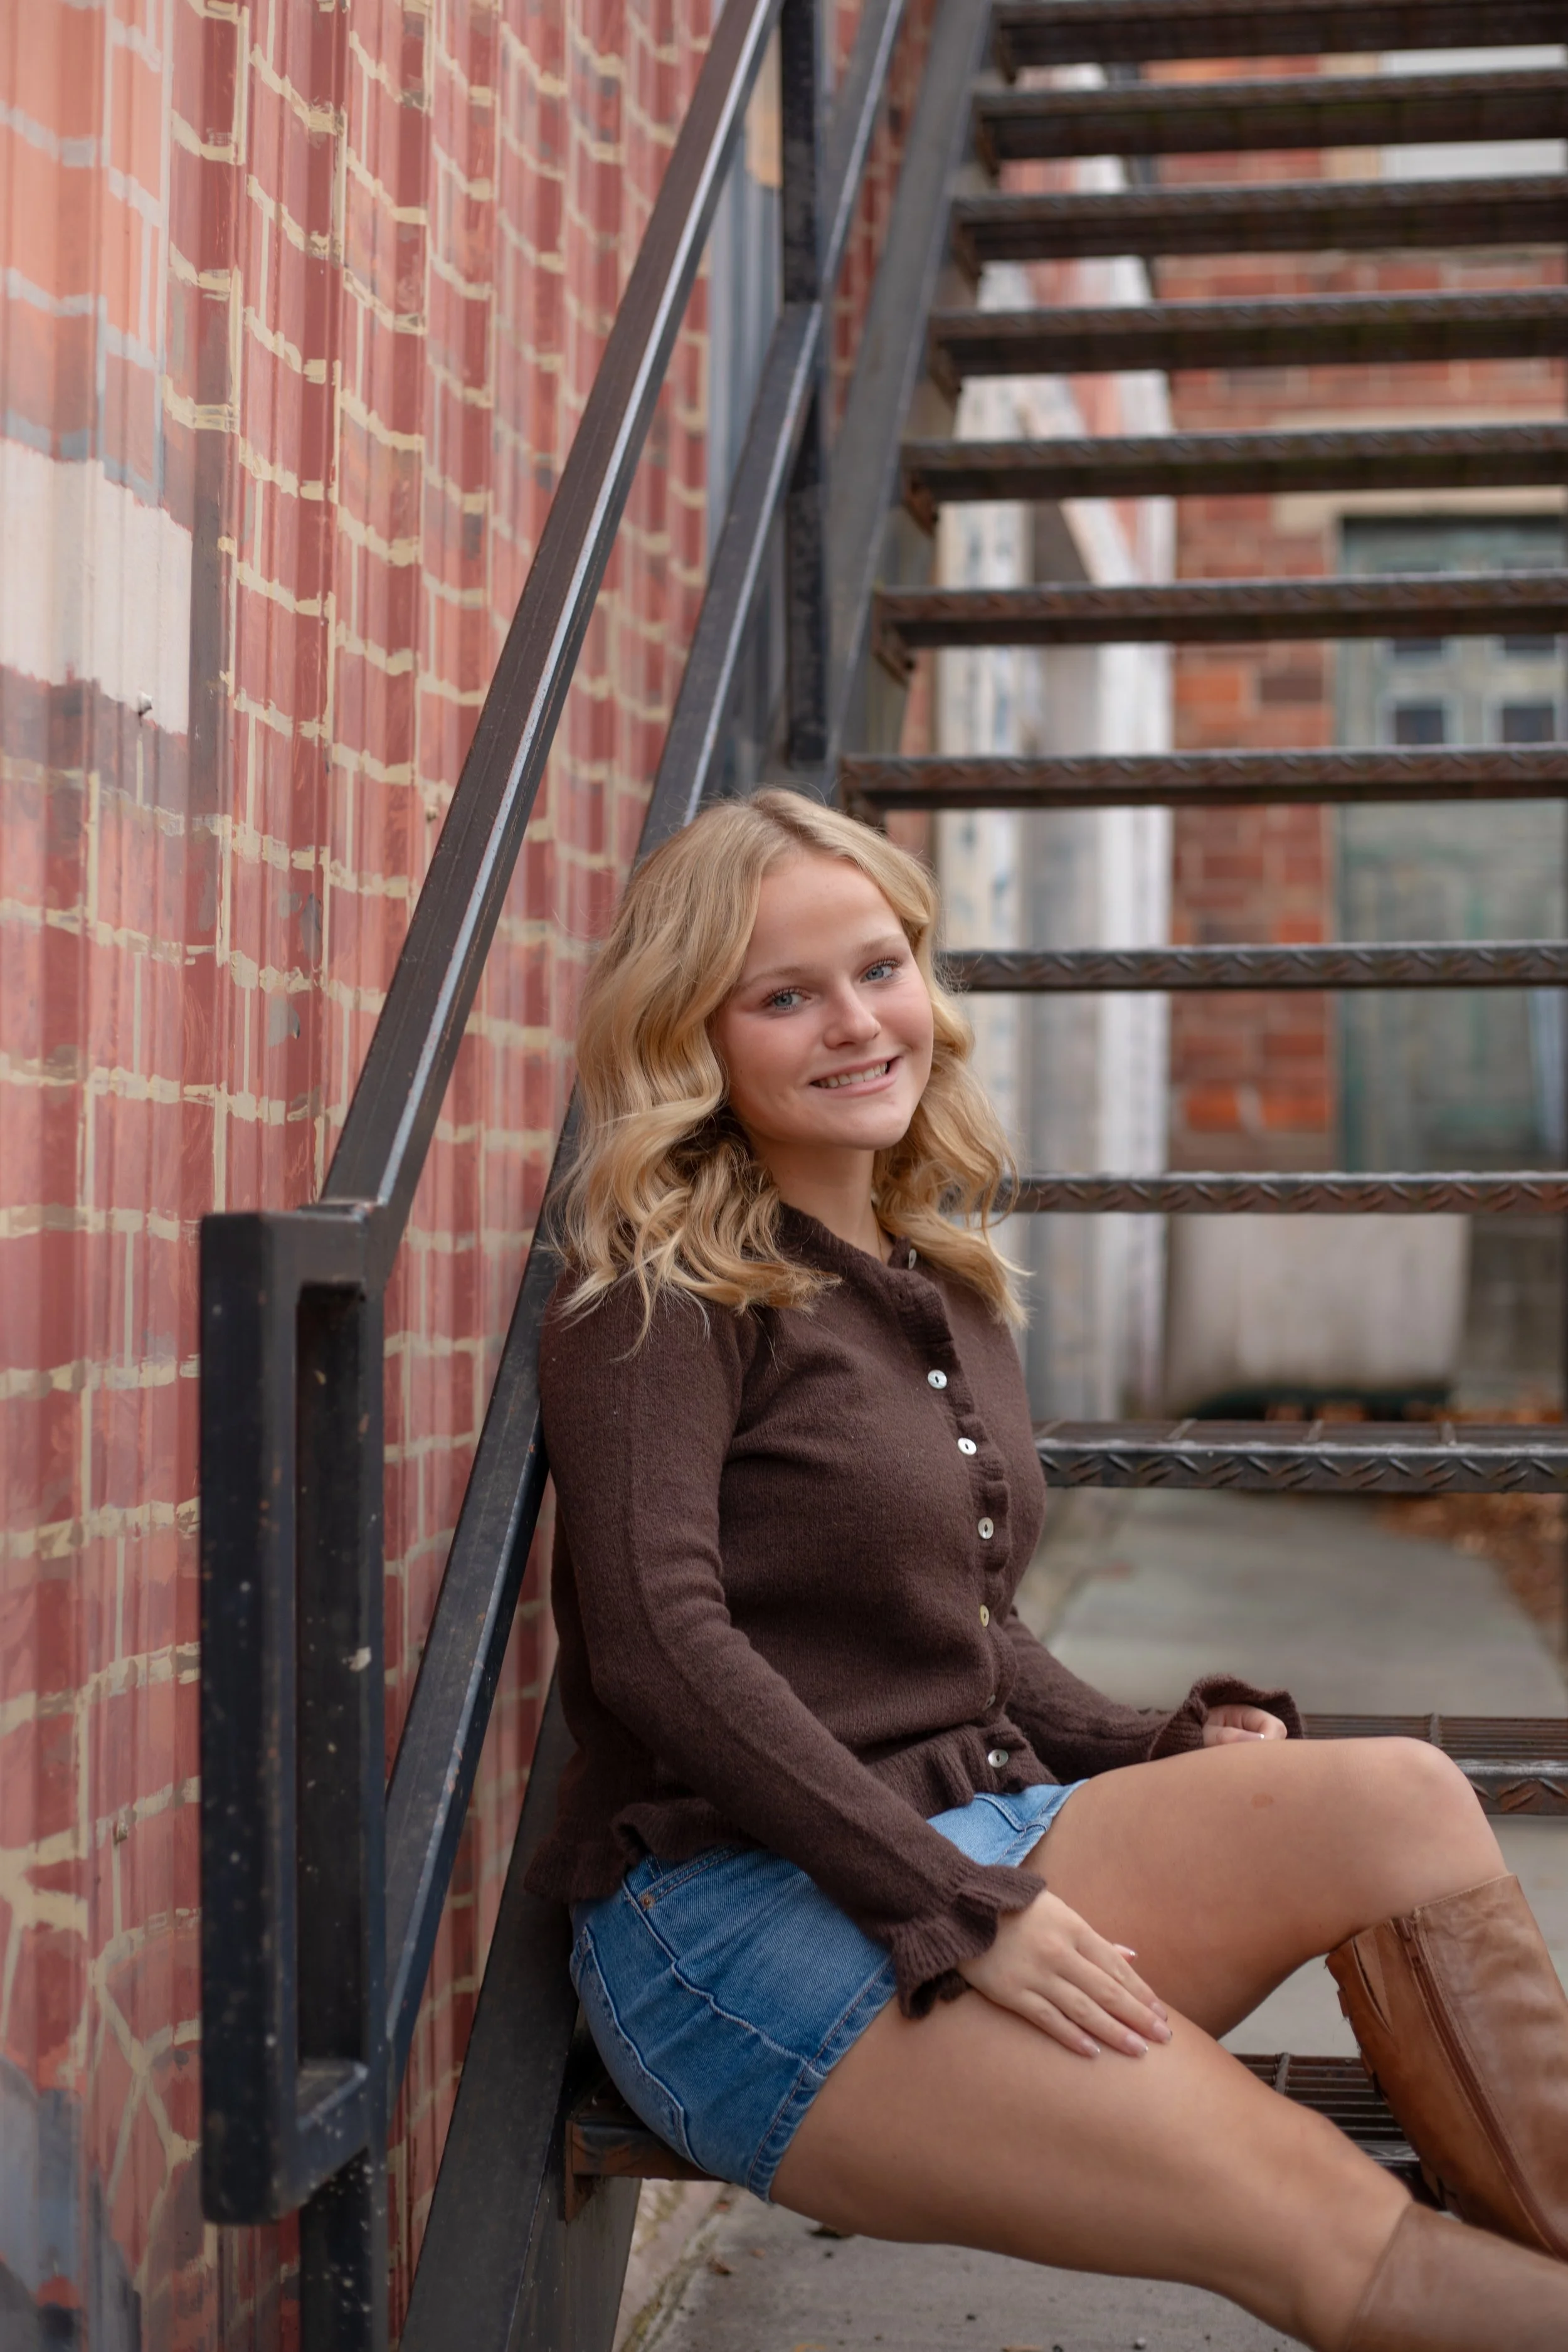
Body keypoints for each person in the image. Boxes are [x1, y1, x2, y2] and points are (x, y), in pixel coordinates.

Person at [526, 788, 1568, 2351]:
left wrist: (1149, 1749)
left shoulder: (926, 1275)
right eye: (784, 996)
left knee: (1400, 1794)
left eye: (877, 969)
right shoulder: (658, 1298)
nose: (854, 1023)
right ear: (696, 1037)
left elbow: (967, 1630)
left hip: (965, 1836)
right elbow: (658, 1650)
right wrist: (959, 1902)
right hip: (742, 1925)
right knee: (1336, 2237)